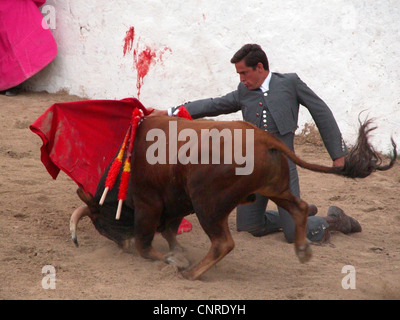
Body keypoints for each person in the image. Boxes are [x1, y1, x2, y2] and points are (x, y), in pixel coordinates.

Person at [150, 43, 361, 243]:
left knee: (294, 233)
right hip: (252, 167)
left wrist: (337, 155)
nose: (241, 79)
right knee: (249, 226)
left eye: (244, 73)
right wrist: (171, 112)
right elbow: (213, 104)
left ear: (259, 67)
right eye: (239, 74)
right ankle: (299, 212)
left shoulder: (290, 82)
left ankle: (335, 219)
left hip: (282, 167)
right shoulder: (244, 92)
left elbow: (321, 111)